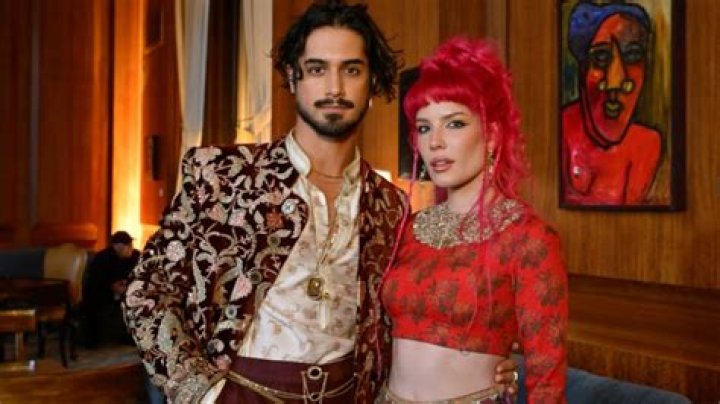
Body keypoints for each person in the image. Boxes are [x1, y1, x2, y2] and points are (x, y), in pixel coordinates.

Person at [122, 2, 518, 403]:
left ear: (372, 82)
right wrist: (203, 393)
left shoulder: (390, 206)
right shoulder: (222, 175)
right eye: (316, 69)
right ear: (293, 78)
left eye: (351, 70)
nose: (334, 88)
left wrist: (485, 365)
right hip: (243, 393)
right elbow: (147, 290)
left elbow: (407, 316)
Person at [380, 37, 568, 403]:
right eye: (423, 127)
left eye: (454, 124)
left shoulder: (529, 238)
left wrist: (512, 368)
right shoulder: (409, 228)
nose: (435, 142)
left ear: (493, 135)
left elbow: (547, 379)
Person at [561, 1, 661, 205]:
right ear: (582, 69)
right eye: (601, 57)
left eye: (632, 55)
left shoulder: (647, 146)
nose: (615, 81)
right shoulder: (558, 134)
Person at [83, 230, 139, 347]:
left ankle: (131, 336)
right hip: (104, 292)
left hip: (131, 291)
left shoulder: (137, 256)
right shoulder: (103, 257)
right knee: (93, 298)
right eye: (121, 248)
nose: (128, 249)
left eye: (129, 246)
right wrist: (111, 286)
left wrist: (128, 285)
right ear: (115, 247)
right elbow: (95, 280)